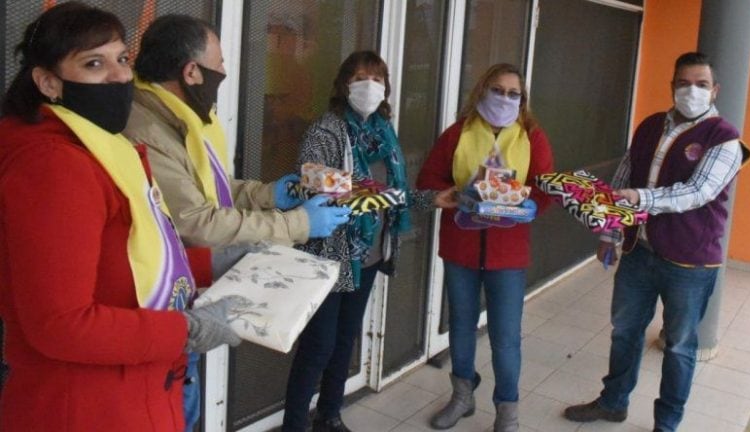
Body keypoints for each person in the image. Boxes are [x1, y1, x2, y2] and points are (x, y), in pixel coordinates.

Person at [0, 3, 242, 431]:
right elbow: (61, 325)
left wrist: (213, 263)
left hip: (135, 392)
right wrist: (183, 330)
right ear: (47, 82)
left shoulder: (101, 148)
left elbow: (132, 257)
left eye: (122, 59)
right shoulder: (55, 166)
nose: (118, 76)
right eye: (94, 64)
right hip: (90, 408)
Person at [122, 15, 351, 431]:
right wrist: (298, 224)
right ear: (191, 71)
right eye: (220, 63)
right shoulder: (147, 129)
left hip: (186, 285)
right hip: (161, 296)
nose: (225, 72)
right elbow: (197, 221)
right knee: (177, 405)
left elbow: (209, 188)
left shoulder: (174, 120)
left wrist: (269, 195)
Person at [563, 52, 750, 432]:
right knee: (624, 332)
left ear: (715, 90)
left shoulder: (726, 139)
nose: (691, 91)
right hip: (638, 252)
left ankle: (666, 425)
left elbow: (697, 192)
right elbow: (622, 178)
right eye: (683, 83)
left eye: (701, 84)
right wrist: (610, 233)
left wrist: (641, 198)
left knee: (680, 347)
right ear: (672, 86)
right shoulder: (649, 126)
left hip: (690, 262)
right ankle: (613, 403)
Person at [282, 51, 456, 432]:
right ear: (345, 84)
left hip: (370, 255)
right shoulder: (326, 130)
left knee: (345, 341)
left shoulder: (384, 132)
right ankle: (294, 425)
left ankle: (329, 415)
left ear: (386, 88)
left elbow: (391, 194)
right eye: (360, 77)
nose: (369, 86)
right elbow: (308, 182)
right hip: (329, 256)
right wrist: (346, 188)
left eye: (377, 78)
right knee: (318, 348)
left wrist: (431, 199)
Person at [416, 63, 554, 432]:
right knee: (461, 326)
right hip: (461, 246)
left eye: (513, 93)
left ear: (522, 100)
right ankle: (462, 397)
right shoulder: (457, 134)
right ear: (481, 91)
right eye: (498, 89)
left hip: (507, 254)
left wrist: (531, 206)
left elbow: (544, 188)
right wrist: (449, 195)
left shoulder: (532, 136)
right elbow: (428, 178)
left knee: (505, 338)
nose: (505, 98)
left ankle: (507, 413)